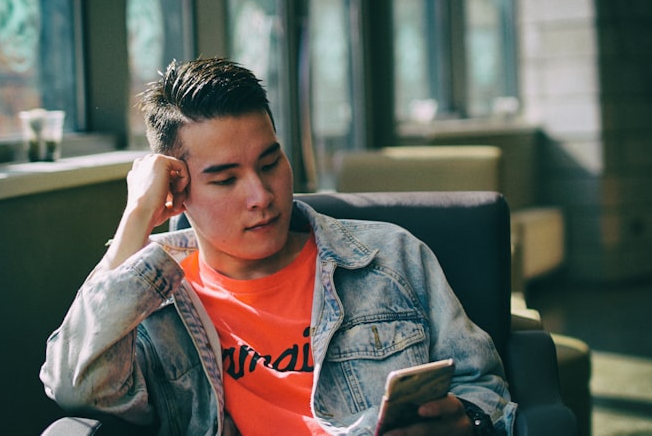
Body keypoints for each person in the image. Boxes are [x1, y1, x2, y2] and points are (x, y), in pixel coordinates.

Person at [40, 57, 516, 435]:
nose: (262, 196)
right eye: (225, 179)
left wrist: (469, 422)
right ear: (178, 190)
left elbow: (487, 389)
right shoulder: (153, 306)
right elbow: (74, 383)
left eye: (270, 163)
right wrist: (135, 218)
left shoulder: (390, 258)